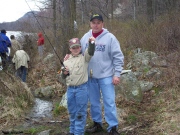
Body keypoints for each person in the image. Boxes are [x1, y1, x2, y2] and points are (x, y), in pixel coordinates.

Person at [80, 14, 124, 135]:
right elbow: (80, 54)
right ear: (90, 24)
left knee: (109, 101)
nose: (96, 25)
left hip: (106, 75)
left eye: (98, 22)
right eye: (93, 22)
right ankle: (97, 124)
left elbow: (118, 57)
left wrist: (117, 74)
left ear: (102, 24)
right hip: (90, 76)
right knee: (94, 102)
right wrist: (70, 57)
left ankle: (113, 127)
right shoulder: (85, 37)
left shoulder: (110, 38)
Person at [61, 37, 95, 135]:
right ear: (70, 49)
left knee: (80, 113)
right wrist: (64, 73)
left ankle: (79, 132)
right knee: (72, 112)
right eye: (73, 48)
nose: (75, 49)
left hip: (82, 89)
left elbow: (91, 51)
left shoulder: (85, 58)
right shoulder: (66, 61)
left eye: (77, 47)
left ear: (80, 48)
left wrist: (92, 42)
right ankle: (72, 131)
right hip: (70, 90)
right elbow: (62, 77)